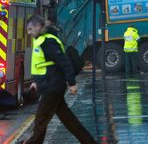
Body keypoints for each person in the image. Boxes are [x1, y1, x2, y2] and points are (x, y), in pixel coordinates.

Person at [24, 15, 97, 144]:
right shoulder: (41, 40)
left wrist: (72, 83)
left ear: (38, 26)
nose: (28, 33)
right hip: (49, 84)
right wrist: (35, 81)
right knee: (68, 120)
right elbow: (41, 64)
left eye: (30, 29)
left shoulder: (48, 41)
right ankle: (89, 141)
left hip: (51, 87)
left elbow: (64, 62)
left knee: (40, 120)